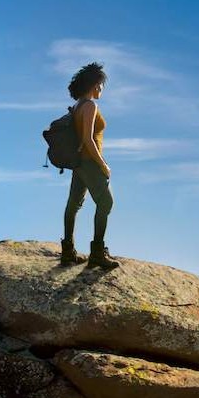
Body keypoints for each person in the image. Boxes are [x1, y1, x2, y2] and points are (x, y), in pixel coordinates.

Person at [61, 61, 120, 270]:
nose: (102, 89)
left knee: (73, 205)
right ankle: (97, 253)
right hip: (89, 162)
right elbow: (88, 138)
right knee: (106, 203)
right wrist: (103, 164)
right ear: (95, 84)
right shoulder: (90, 105)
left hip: (78, 164)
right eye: (102, 85)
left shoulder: (77, 105)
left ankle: (67, 252)